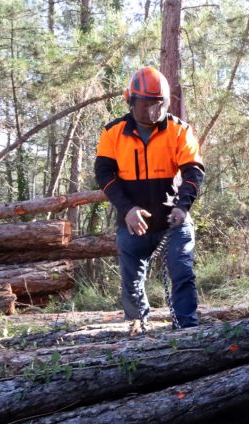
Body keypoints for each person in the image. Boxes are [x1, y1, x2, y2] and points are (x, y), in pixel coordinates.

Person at [95, 66, 204, 333]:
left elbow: (194, 171)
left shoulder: (179, 131)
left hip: (172, 220)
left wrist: (182, 206)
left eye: (158, 105)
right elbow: (103, 173)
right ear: (130, 101)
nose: (152, 112)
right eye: (146, 106)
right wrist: (127, 209)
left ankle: (187, 329)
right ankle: (137, 327)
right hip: (133, 222)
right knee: (131, 281)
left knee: (182, 270)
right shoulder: (113, 132)